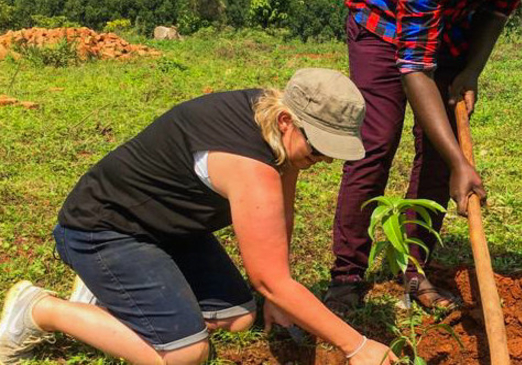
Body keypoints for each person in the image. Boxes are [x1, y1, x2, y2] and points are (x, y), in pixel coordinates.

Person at [0, 68, 396, 365]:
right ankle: (40, 309)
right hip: (101, 229)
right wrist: (356, 346)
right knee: (186, 352)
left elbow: (282, 216)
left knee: (239, 317)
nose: (324, 158)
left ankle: (112, 291)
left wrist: (284, 294)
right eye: (319, 147)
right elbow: (267, 280)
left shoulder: (275, 122)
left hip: (166, 228)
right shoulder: (249, 165)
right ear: (287, 121)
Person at [325, 0, 522, 313]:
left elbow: (496, 10)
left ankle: (415, 269)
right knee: (376, 140)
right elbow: (414, 68)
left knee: (436, 147)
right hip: (382, 16)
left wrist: (470, 71)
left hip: (453, 19)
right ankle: (347, 275)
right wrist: (461, 163)